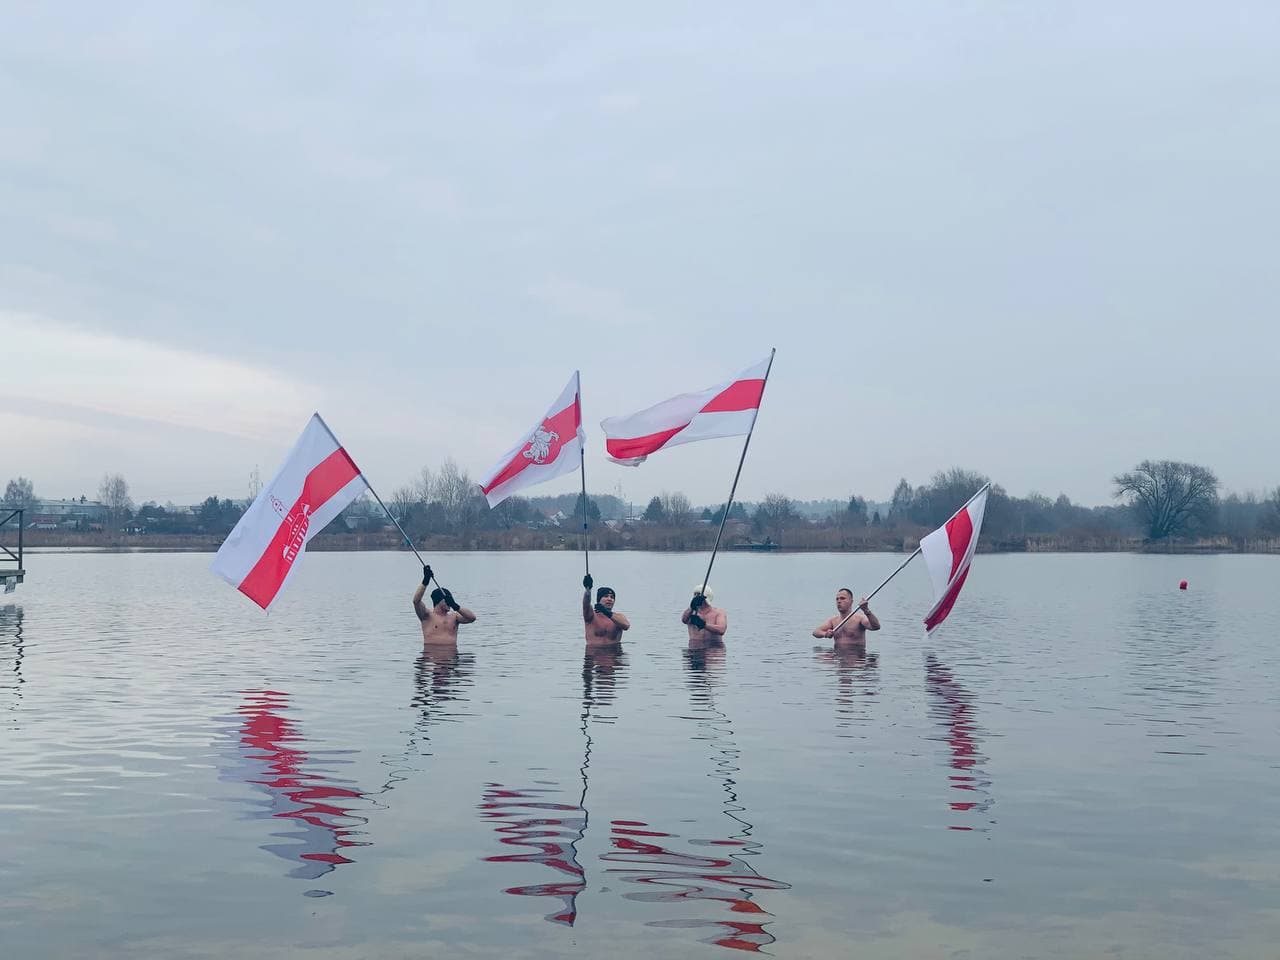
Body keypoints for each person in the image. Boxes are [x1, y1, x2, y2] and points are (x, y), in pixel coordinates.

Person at [413, 565, 476, 645]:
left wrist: (455, 606)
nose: (449, 602)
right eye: (447, 600)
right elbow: (416, 601)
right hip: (431, 655)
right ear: (439, 601)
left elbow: (472, 618)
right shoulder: (427, 616)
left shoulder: (455, 617)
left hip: (452, 655)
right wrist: (425, 581)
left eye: (450, 600)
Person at [812, 587, 879, 644]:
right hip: (837, 656)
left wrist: (866, 610)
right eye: (837, 599)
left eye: (842, 598)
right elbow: (815, 632)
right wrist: (825, 634)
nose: (839, 601)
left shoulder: (860, 619)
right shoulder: (833, 620)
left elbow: (876, 627)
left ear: (851, 601)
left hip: (856, 656)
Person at [582, 574, 630, 645]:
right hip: (593, 654)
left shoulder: (619, 617)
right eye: (605, 596)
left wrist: (606, 612)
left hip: (615, 654)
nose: (609, 599)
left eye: (612, 597)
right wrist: (588, 590)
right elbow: (586, 604)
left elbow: (626, 626)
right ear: (599, 600)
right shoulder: (591, 616)